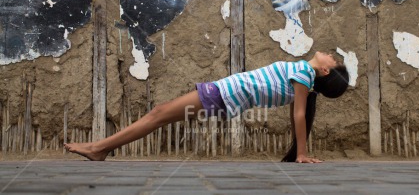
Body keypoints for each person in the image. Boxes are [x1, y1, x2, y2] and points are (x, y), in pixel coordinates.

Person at [64, 51, 349, 162]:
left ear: (325, 72)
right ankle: (101, 148)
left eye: (331, 59)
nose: (327, 54)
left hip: (223, 94)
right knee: (161, 114)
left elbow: (299, 114)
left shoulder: (304, 73)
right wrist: (299, 151)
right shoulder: (302, 76)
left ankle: (99, 148)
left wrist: (301, 153)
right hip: (225, 96)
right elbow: (297, 112)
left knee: (159, 113)